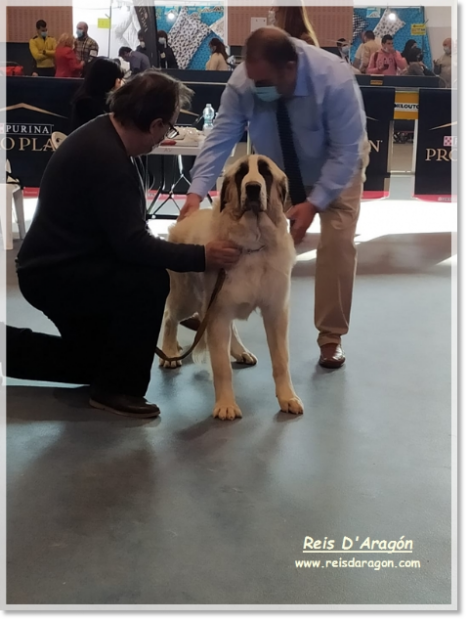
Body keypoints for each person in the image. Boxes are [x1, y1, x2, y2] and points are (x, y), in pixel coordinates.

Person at [7, 70, 240, 419]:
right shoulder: (108, 159)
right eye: (170, 128)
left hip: (58, 266)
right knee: (148, 281)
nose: (165, 136)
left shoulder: (105, 137)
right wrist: (202, 256)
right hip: (55, 275)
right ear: (156, 124)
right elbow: (134, 246)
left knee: (89, 363)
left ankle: (16, 350)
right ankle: (119, 389)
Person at [179, 27, 370, 369]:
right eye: (253, 80)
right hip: (277, 172)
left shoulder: (335, 79)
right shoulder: (245, 80)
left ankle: (331, 337)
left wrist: (314, 203)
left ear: (290, 68)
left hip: (339, 167)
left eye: (264, 82)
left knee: (337, 245)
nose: (257, 88)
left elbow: (346, 152)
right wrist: (196, 192)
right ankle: (217, 306)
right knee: (249, 236)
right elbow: (222, 135)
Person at [71, 58, 123, 131]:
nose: (120, 82)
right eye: (118, 79)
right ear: (108, 79)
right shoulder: (87, 104)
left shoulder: (91, 100)